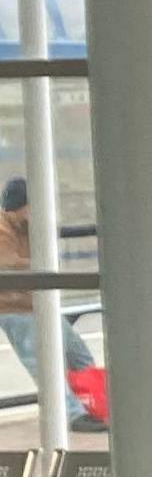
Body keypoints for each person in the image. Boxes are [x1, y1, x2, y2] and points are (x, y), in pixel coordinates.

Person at [0, 176, 108, 432]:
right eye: (31, 206)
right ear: (18, 207)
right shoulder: (2, 231)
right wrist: (41, 266)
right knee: (43, 363)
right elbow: (10, 266)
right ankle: (73, 414)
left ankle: (92, 403)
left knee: (78, 354)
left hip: (37, 303)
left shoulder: (28, 227)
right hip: (14, 309)